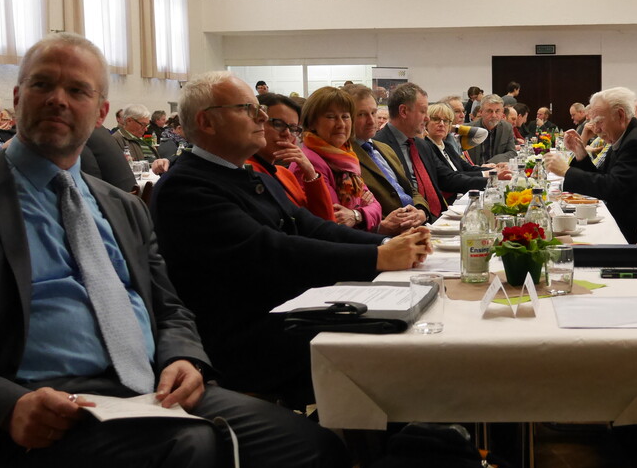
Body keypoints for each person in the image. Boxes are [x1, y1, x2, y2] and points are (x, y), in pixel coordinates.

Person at [0, 33, 351, 468]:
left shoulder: (121, 206)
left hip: (147, 393)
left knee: (314, 456)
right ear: (17, 99)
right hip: (28, 421)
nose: (59, 100)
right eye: (43, 85)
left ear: (101, 110)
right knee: (188, 452)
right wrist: (3, 406)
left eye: (77, 89)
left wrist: (183, 357)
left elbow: (170, 307)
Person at [150, 72, 431, 404]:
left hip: (289, 312)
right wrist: (376, 259)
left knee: (408, 322)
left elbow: (309, 226)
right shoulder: (186, 188)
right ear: (206, 122)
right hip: (245, 339)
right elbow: (271, 251)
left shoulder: (246, 173)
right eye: (246, 109)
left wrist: (385, 245)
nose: (262, 118)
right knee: (397, 346)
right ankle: (386, 448)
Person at [546, 87, 637, 244]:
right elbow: (604, 178)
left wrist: (566, 172)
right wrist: (581, 154)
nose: (595, 129)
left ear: (620, 115)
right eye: (592, 122)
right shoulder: (626, 136)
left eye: (599, 122)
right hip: (629, 219)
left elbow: (611, 188)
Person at [375, 83, 486, 219]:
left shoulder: (421, 145)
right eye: (423, 112)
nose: (427, 118)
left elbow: (446, 177)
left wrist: (492, 180)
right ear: (403, 111)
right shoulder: (379, 146)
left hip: (436, 217)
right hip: (407, 222)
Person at [293, 87, 382, 231]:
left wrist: (356, 215)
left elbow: (376, 207)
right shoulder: (307, 162)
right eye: (331, 117)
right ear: (311, 123)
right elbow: (335, 218)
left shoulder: (347, 157)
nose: (340, 124)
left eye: (345, 116)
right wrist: (362, 208)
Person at [347, 85, 431, 231]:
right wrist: (383, 226)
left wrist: (421, 212)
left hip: (415, 226)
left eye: (373, 113)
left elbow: (410, 190)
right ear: (347, 118)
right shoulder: (346, 157)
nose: (371, 121)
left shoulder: (385, 149)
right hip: (386, 234)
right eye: (361, 114)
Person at [246, 92, 334, 221]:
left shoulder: (284, 174)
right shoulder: (244, 171)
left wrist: (311, 173)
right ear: (257, 121)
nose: (287, 133)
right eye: (278, 124)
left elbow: (324, 222)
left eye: (293, 128)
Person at [112, 104, 170, 174]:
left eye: (147, 125)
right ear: (129, 121)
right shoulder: (116, 140)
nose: (146, 129)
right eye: (143, 124)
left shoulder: (140, 139)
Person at [469, 94, 517, 164]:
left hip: (497, 170)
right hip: (475, 172)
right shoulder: (469, 129)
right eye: (489, 111)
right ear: (481, 112)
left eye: (497, 111)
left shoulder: (507, 128)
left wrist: (492, 162)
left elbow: (512, 153)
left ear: (502, 112)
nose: (494, 115)